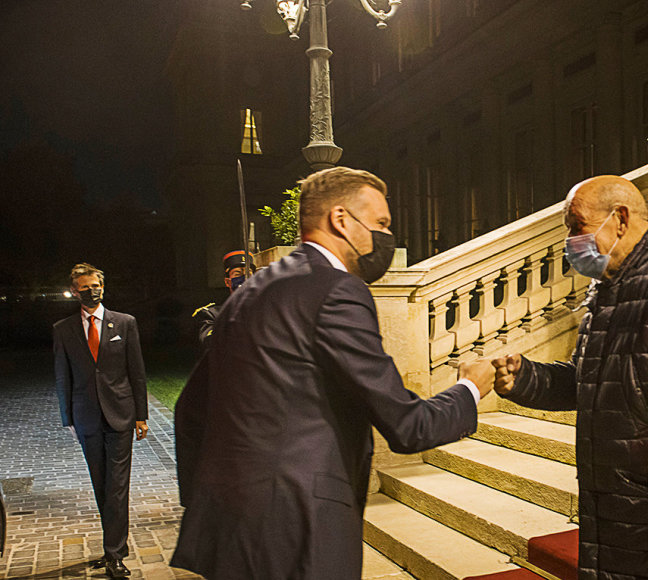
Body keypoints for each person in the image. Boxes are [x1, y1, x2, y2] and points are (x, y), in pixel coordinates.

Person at [170, 167, 495, 580]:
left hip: (230, 528)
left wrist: (215, 497)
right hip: (298, 530)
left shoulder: (251, 290)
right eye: (380, 223)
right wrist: (470, 387)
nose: (385, 236)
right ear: (340, 220)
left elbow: (191, 411)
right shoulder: (338, 290)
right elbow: (408, 425)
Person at [493, 175, 648, 579]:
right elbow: (590, 382)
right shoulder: (607, 290)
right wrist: (524, 378)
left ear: (621, 219)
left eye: (577, 225)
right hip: (622, 520)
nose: (571, 240)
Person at [53, 263, 148, 579]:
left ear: (103, 288)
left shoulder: (125, 323)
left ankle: (113, 554)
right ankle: (115, 545)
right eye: (84, 286)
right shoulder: (63, 329)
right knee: (101, 484)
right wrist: (69, 417)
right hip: (87, 417)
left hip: (120, 415)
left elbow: (136, 372)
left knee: (117, 486)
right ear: (75, 290)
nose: (91, 290)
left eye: (96, 285)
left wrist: (142, 416)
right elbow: (62, 375)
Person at [191, 250, 255, 349]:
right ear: (227, 282)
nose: (245, 278)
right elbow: (211, 342)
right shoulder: (212, 314)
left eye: (248, 274)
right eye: (237, 274)